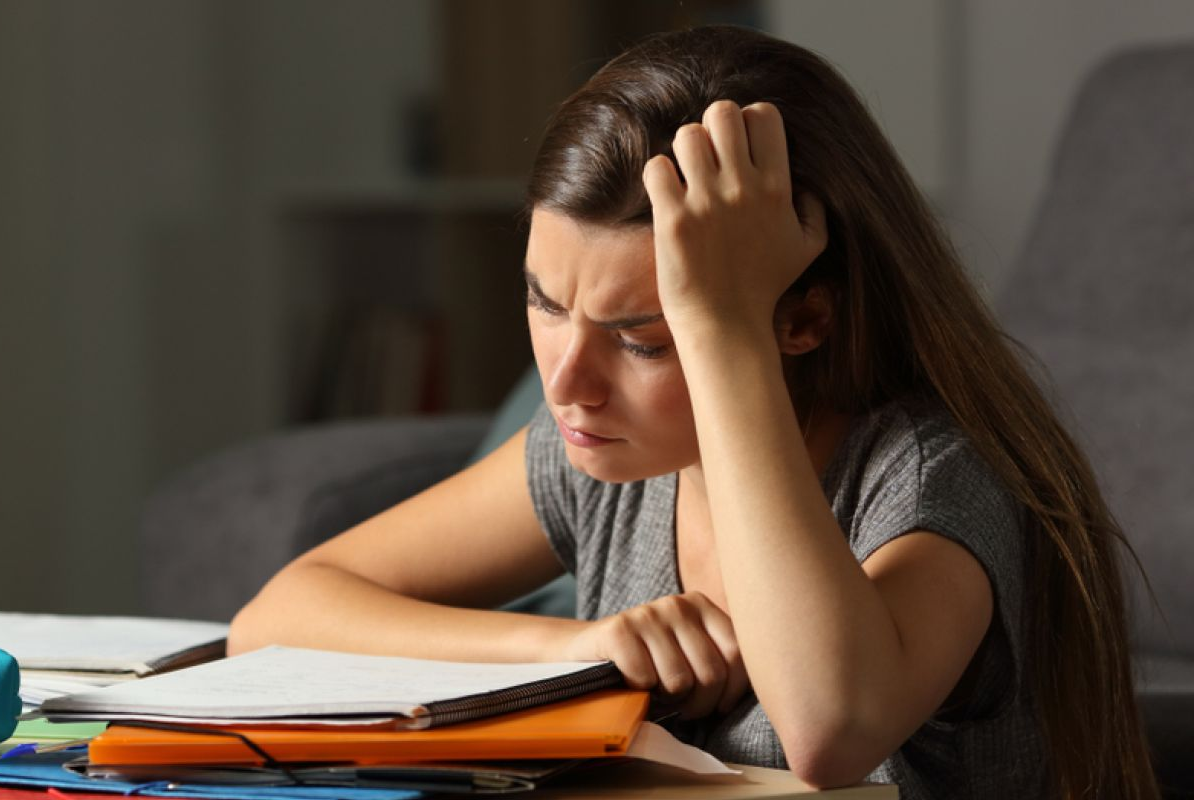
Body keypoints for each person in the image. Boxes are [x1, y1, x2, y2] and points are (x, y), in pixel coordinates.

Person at [228, 25, 1157, 799]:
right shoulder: (599, 448)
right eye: (547, 304)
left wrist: (722, 327)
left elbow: (830, 728)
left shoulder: (927, 476)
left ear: (804, 320)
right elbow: (275, 618)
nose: (568, 384)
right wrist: (581, 649)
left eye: (643, 340)